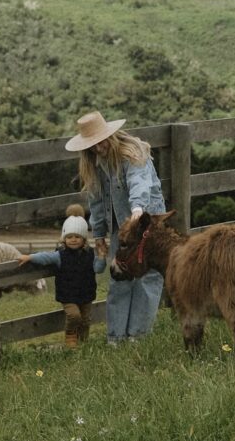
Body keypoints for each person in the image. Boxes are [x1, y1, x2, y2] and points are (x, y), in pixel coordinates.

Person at [65, 111, 166, 344]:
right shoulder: (94, 164)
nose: (98, 148)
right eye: (92, 145)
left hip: (145, 224)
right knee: (119, 277)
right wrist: (99, 234)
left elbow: (139, 182)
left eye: (100, 142)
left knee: (146, 276)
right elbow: (97, 201)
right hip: (120, 227)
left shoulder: (132, 153)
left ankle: (138, 336)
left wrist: (138, 209)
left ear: (110, 135)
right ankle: (116, 337)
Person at [18, 204, 107, 348]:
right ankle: (71, 335)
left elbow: (98, 268)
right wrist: (30, 257)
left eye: (77, 236)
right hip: (68, 294)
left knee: (85, 319)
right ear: (64, 238)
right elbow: (46, 257)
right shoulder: (60, 255)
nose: (73, 239)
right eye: (69, 236)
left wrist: (102, 257)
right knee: (74, 316)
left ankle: (83, 341)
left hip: (86, 292)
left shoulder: (90, 254)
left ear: (84, 238)